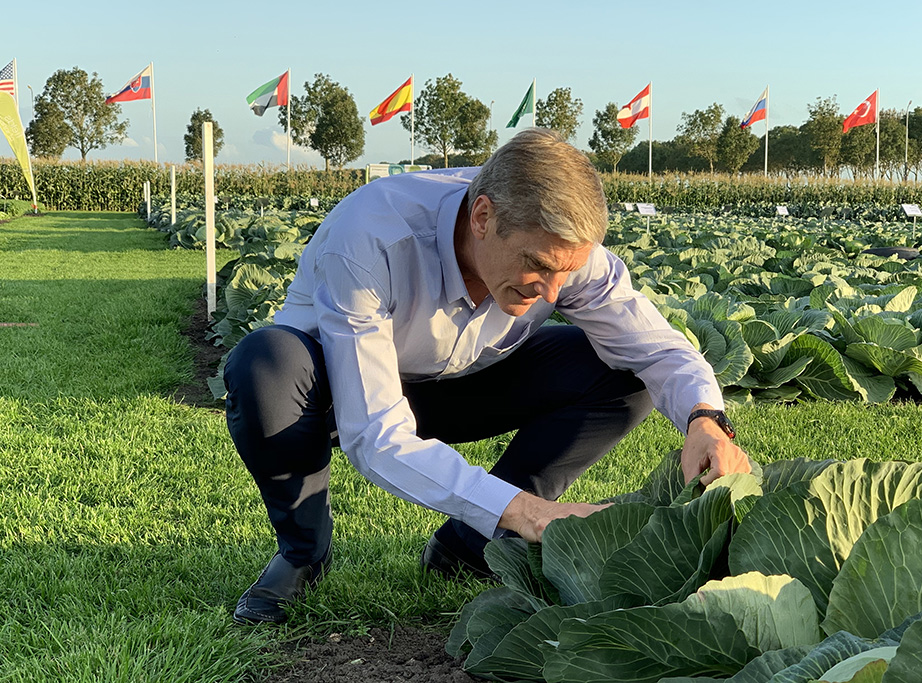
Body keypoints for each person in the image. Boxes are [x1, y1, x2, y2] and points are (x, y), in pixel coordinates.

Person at [224, 128, 750, 625]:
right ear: (482, 217)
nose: (551, 292)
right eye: (538, 266)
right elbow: (376, 434)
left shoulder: (561, 251)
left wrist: (705, 419)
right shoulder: (372, 237)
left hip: (465, 380)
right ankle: (302, 554)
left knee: (622, 371)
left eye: (565, 274)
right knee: (264, 366)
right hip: (335, 391)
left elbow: (655, 347)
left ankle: (470, 544)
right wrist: (525, 510)